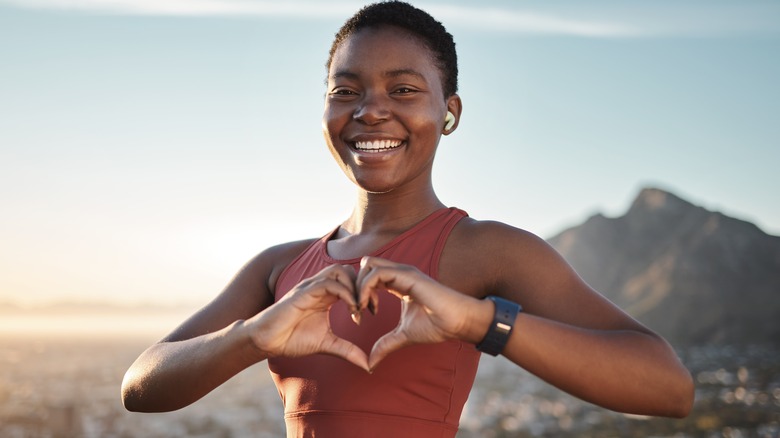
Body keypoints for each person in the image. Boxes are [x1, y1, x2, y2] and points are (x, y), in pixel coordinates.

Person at [121, 2, 694, 436]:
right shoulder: (280, 267)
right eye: (346, 90)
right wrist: (251, 336)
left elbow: (669, 388)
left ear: (449, 113)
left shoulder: (488, 250)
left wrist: (478, 323)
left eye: (403, 89)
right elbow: (141, 386)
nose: (370, 109)